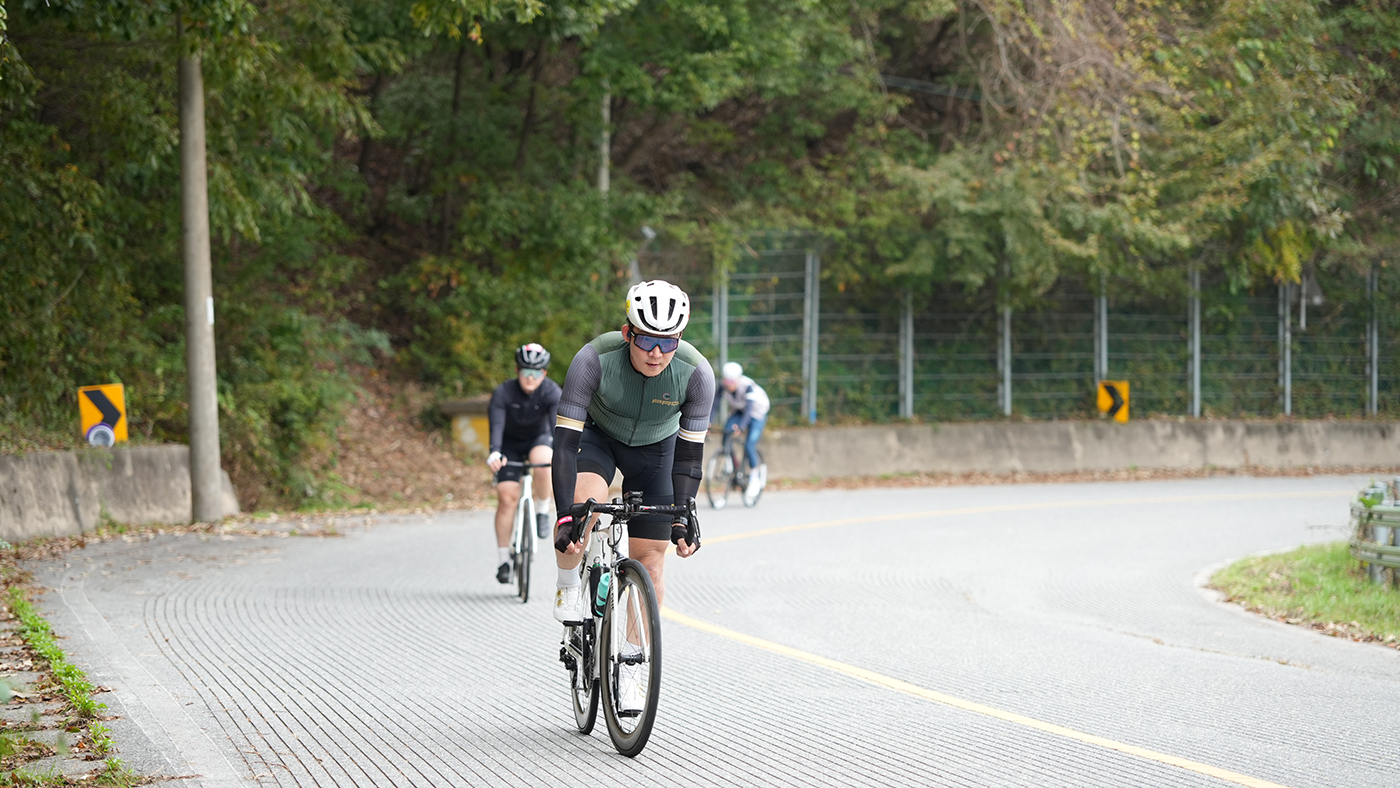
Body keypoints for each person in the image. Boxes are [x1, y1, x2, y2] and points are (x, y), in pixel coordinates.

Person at [549, 280, 714, 708]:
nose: (656, 352)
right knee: (583, 513)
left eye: (668, 342)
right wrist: (566, 516)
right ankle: (568, 584)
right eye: (646, 340)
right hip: (596, 439)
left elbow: (689, 458)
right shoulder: (593, 360)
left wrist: (684, 514)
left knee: (652, 561)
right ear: (628, 334)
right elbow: (564, 446)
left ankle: (634, 666)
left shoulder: (696, 374)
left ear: (680, 339)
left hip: (657, 450)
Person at [486, 343, 560, 584]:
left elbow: (557, 427)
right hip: (509, 445)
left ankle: (541, 510)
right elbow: (496, 425)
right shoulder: (504, 392)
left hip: (539, 439)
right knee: (507, 498)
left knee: (544, 461)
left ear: (544, 373)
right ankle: (503, 560)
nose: (531, 377)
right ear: (517, 371)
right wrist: (495, 452)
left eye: (536, 372)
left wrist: (563, 453)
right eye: (526, 371)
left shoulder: (551, 392)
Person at [712, 361, 770, 500]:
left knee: (749, 445)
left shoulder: (747, 386)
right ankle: (732, 465)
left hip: (757, 413)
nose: (729, 384)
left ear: (738, 379)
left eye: (732, 382)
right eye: (726, 381)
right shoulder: (723, 386)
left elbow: (749, 410)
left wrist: (741, 427)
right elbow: (715, 405)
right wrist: (708, 422)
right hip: (740, 410)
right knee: (726, 433)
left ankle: (755, 478)